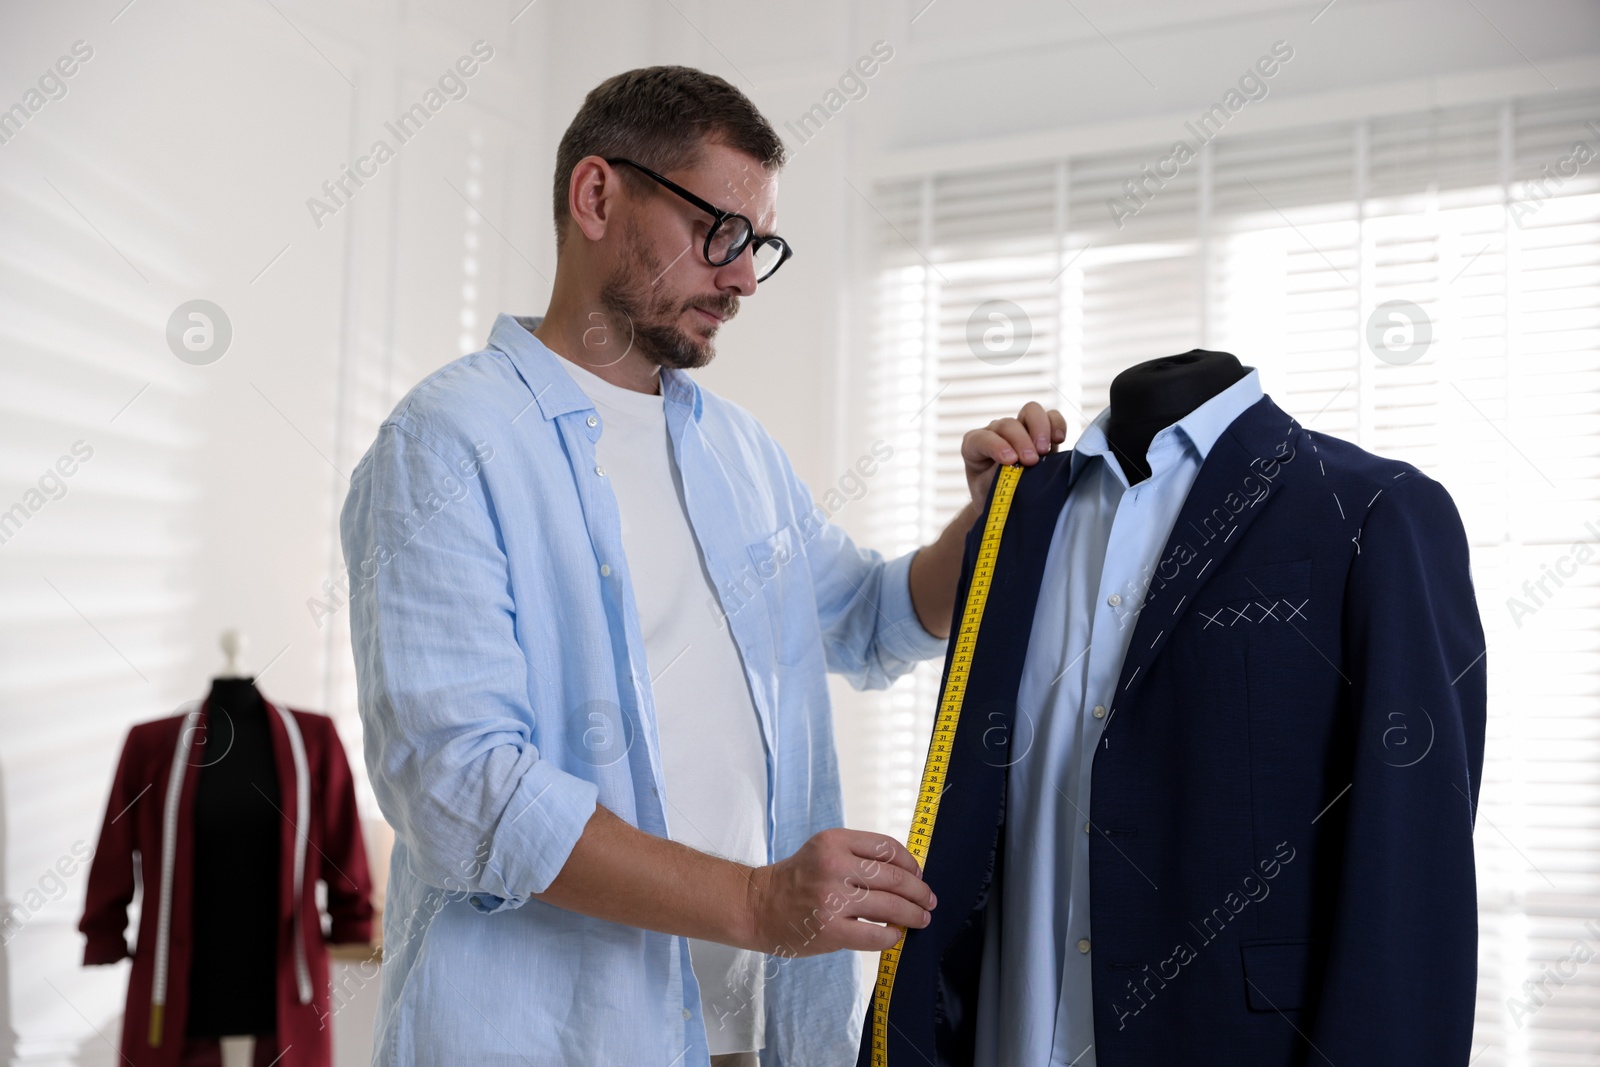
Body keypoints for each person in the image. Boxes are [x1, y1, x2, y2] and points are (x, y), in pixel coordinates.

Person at [340, 65, 1065, 1066]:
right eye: (718, 231)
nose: (740, 278)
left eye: (758, 244)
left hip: (750, 1034)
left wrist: (979, 528)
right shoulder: (448, 442)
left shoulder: (737, 451)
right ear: (596, 195)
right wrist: (761, 900)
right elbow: (463, 792)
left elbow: (863, 619)